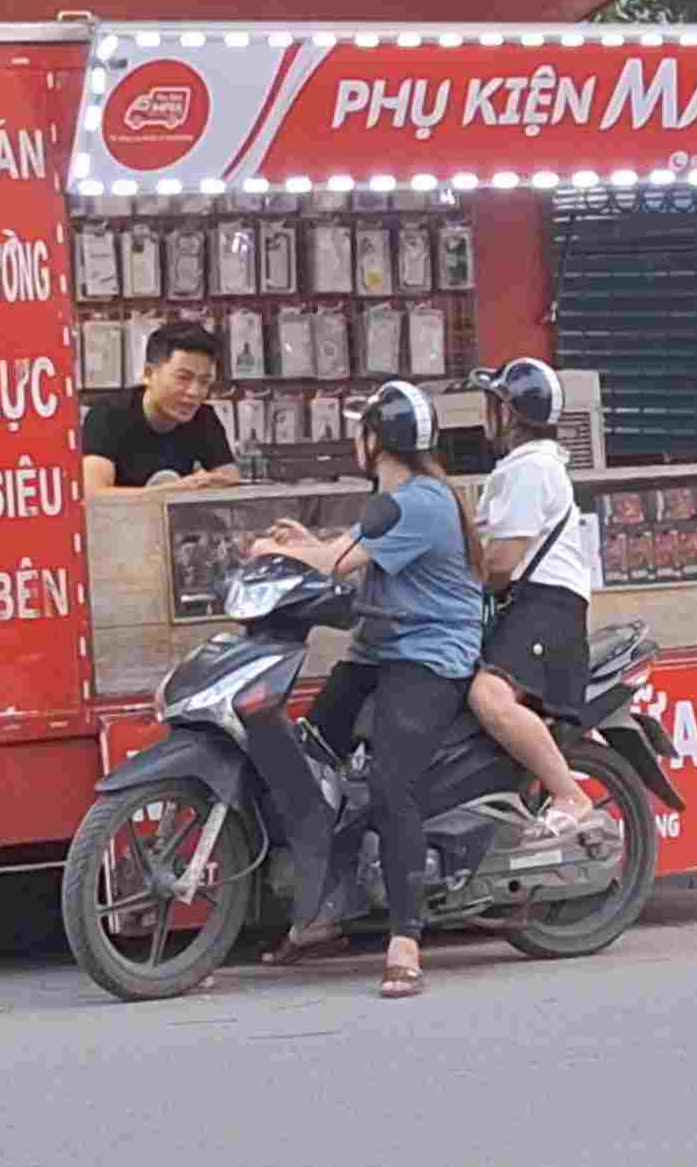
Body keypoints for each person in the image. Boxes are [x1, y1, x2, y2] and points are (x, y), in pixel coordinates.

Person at [251, 381, 482, 1000]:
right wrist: (300, 544)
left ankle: (405, 939)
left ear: (375, 439)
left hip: (430, 654)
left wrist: (277, 550)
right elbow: (342, 551)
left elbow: (337, 564)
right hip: (379, 648)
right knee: (309, 762)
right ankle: (324, 909)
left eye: (362, 430)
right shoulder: (392, 497)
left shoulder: (423, 503)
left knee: (389, 781)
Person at [468, 357, 616, 844]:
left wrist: (464, 586)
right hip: (536, 605)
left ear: (510, 415)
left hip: (544, 608)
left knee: (487, 695)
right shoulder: (525, 467)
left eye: (493, 404)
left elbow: (502, 560)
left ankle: (569, 793)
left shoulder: (531, 470)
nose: (486, 415)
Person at [79, 320, 241, 493]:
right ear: (148, 374)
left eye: (204, 382)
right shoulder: (108, 415)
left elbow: (231, 484)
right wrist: (175, 491)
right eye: (183, 378)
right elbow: (94, 494)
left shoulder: (204, 418)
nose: (195, 392)